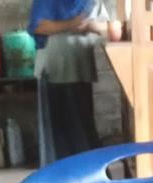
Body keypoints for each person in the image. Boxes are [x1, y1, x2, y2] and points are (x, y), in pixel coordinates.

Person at [28, 0, 109, 166]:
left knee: (82, 127)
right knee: (60, 132)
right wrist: (72, 23)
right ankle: (64, 179)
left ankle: (87, 175)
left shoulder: (90, 2)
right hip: (56, 69)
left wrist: (91, 26)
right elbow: (37, 26)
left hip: (80, 68)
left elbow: (106, 26)